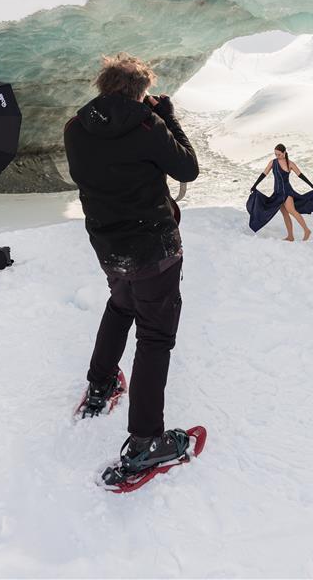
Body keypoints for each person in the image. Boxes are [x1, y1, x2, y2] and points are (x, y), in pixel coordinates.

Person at [63, 53, 199, 480]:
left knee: (121, 303)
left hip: (109, 245)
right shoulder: (147, 127)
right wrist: (167, 118)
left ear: (102, 86)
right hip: (153, 248)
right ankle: (145, 443)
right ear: (141, 92)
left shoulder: (76, 127)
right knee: (155, 337)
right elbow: (188, 168)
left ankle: (101, 384)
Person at [246, 143, 313, 240]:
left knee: (292, 211)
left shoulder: (290, 164)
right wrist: (255, 185)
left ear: (284, 152)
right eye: (276, 154)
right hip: (277, 193)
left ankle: (306, 230)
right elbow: (264, 174)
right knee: (285, 214)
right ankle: (290, 236)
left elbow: (301, 175)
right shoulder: (273, 162)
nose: (277, 156)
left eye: (279, 154)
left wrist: (312, 186)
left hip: (287, 192)